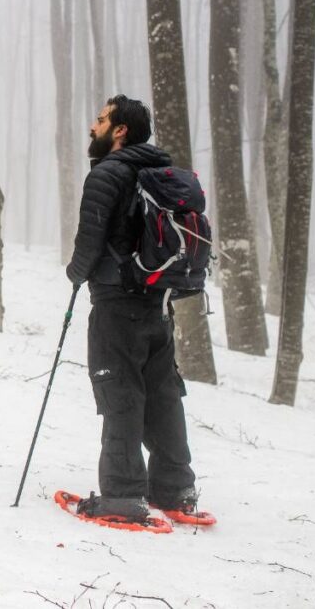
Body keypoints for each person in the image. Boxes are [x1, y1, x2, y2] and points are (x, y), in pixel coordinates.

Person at [65, 94, 199, 521]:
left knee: (119, 392)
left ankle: (123, 496)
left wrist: (75, 272)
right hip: (158, 303)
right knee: (162, 394)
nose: (93, 126)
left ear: (119, 130)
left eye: (101, 120)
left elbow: (91, 239)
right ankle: (175, 490)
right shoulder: (162, 171)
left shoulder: (108, 173)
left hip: (116, 302)